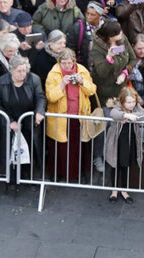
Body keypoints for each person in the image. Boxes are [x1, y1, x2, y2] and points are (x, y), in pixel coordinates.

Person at [0, 53, 46, 183]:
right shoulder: (1, 82)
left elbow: (40, 97)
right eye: (19, 71)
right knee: (10, 150)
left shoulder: (33, 79)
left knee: (30, 149)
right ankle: (11, 177)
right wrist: (10, 121)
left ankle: (28, 175)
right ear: (11, 70)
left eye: (24, 70)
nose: (23, 74)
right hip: (10, 122)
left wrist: (39, 112)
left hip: (29, 121)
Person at [44, 48, 95, 179]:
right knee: (60, 148)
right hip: (60, 118)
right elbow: (51, 97)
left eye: (69, 63)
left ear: (74, 61)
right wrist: (61, 85)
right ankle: (59, 174)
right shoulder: (53, 74)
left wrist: (82, 82)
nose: (67, 66)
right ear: (59, 62)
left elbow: (91, 91)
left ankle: (78, 174)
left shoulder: (82, 70)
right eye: (64, 63)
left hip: (79, 116)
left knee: (79, 147)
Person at [104, 86, 144, 202]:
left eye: (133, 101)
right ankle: (114, 190)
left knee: (126, 165)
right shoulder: (117, 107)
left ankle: (124, 190)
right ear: (122, 101)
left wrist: (135, 116)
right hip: (117, 141)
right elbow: (113, 113)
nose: (132, 104)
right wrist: (126, 115)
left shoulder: (136, 107)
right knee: (114, 165)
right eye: (129, 102)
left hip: (129, 140)